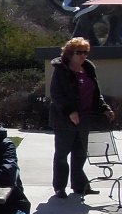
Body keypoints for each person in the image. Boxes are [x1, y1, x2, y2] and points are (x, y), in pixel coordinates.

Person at [49, 36, 115, 199]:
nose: (83, 56)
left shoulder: (88, 68)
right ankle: (60, 187)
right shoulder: (61, 70)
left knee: (80, 154)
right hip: (64, 120)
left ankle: (80, 186)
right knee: (62, 154)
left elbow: (96, 94)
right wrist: (70, 111)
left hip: (84, 119)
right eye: (79, 52)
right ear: (70, 53)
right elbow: (56, 95)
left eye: (85, 52)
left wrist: (105, 109)